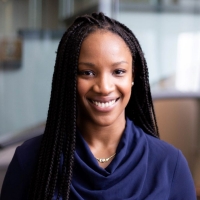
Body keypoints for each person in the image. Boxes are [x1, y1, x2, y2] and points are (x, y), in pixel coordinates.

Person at [0, 12, 196, 200]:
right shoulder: (30, 159)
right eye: (87, 72)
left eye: (118, 71)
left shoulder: (169, 163)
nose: (104, 87)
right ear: (69, 77)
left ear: (133, 76)